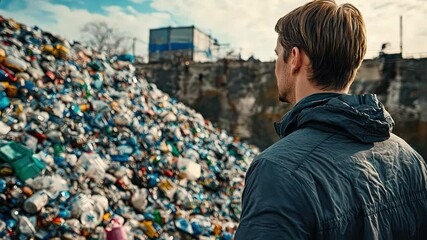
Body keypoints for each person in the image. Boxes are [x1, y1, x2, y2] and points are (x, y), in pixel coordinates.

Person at [235, 0, 427, 239]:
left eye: (277, 55)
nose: (276, 66)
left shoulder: (278, 171)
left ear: (294, 57)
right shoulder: (410, 158)